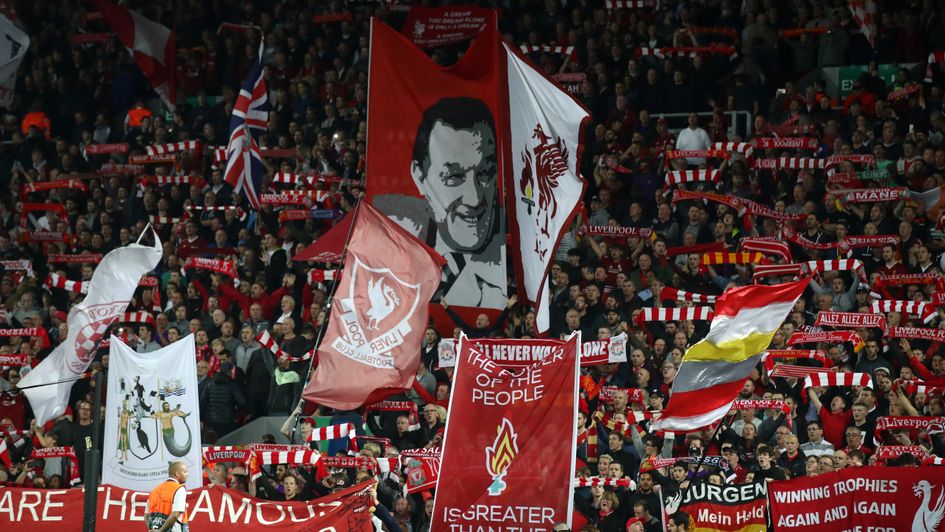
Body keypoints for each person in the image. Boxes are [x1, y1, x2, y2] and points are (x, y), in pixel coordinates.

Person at [378, 97, 505, 309]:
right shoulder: (394, 256)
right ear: (419, 177)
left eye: (485, 173)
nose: (474, 198)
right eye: (454, 176)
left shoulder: (513, 264)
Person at [146, 461, 189, 531]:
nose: (187, 475)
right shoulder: (179, 489)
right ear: (177, 474)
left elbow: (146, 516)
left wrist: (152, 530)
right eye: (185, 472)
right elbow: (175, 515)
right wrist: (160, 531)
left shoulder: (154, 490)